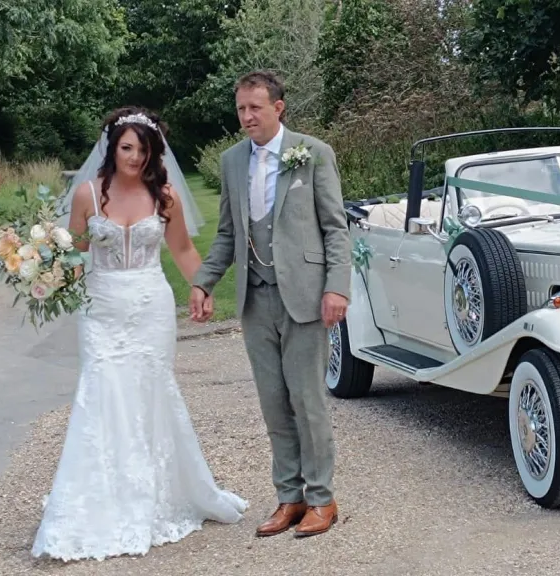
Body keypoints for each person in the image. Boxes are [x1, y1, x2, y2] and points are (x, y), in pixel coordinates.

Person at [31, 107, 248, 562]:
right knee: (102, 393)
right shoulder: (88, 195)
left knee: (150, 394)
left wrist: (201, 286)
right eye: (126, 147)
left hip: (150, 306)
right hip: (102, 308)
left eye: (143, 149)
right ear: (112, 147)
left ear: (153, 153)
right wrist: (41, 277)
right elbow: (74, 254)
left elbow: (184, 250)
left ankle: (153, 495)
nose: (134, 156)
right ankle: (97, 500)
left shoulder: (164, 195)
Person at [189, 70, 351, 538]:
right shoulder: (232, 162)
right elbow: (226, 233)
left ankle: (322, 499)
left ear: (278, 107)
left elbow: (336, 228)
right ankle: (290, 497)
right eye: (240, 108)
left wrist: (336, 287)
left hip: (304, 297)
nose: (246, 117)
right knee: (274, 404)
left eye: (255, 108)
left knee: (308, 401)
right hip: (254, 300)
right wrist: (204, 282)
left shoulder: (313, 154)